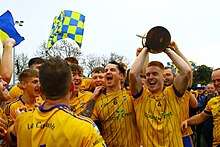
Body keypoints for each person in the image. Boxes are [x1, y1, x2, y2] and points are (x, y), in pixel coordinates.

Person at [6, 57, 106, 147]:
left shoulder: (22, 119)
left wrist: (18, 119)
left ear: (41, 90)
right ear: (71, 86)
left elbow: (11, 139)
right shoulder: (85, 128)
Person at [129, 44, 191, 146]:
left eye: (155, 74)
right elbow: (133, 73)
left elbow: (186, 71)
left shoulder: (173, 93)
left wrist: (166, 49)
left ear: (163, 77)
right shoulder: (140, 96)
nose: (150, 77)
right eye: (148, 74)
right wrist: (146, 48)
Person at [91, 61, 140, 147]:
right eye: (106, 71)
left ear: (121, 76)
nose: (108, 72)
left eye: (112, 70)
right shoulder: (98, 100)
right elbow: (94, 130)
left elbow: (137, 74)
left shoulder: (131, 95)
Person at [182, 68, 220, 146]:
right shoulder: (213, 102)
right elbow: (202, 116)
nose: (216, 83)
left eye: (219, 80)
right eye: (214, 81)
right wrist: (187, 121)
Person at [201, 82, 215, 147]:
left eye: (211, 88)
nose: (210, 89)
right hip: (206, 126)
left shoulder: (217, 99)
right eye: (208, 88)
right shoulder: (203, 100)